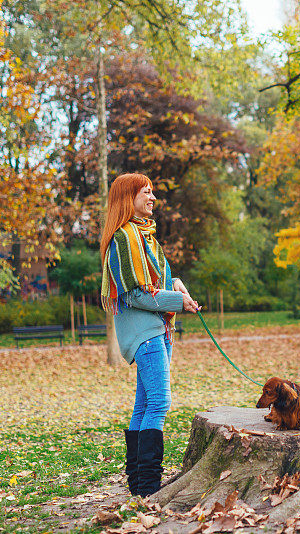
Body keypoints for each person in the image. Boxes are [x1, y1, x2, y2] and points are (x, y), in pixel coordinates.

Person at [100, 173, 200, 497]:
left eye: (153, 192)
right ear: (129, 197)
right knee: (159, 403)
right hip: (146, 334)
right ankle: (148, 487)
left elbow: (158, 279)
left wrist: (177, 283)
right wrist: (178, 302)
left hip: (158, 331)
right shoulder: (124, 238)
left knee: (143, 406)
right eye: (146, 192)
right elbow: (135, 295)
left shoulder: (146, 237)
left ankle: (139, 487)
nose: (153, 197)